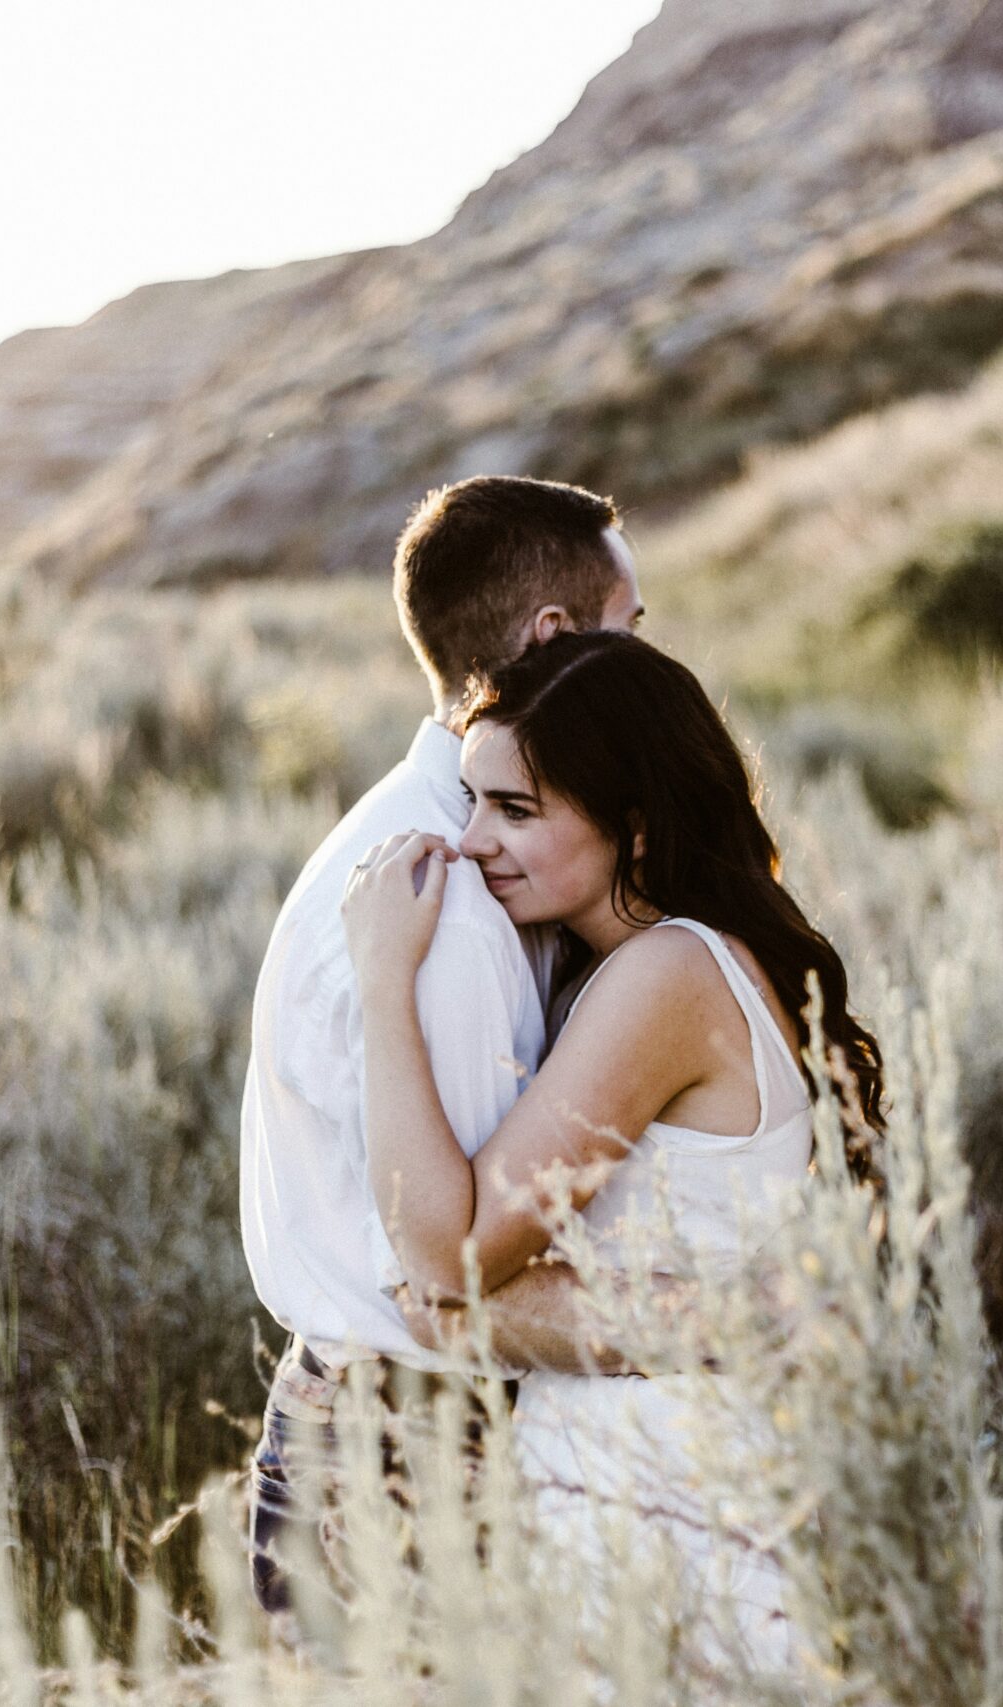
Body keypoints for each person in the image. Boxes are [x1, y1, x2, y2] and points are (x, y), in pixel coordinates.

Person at [340, 629, 886, 1665]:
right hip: (664, 1467)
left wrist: (381, 981)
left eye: (515, 809)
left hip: (660, 1488)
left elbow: (446, 1254)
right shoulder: (666, 964)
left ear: (631, 828)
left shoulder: (667, 976)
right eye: (469, 801)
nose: (469, 840)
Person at [237, 475, 644, 1617]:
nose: (655, 665)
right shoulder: (448, 910)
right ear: (553, 640)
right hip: (411, 1469)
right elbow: (464, 1270)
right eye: (633, 630)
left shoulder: (438, 851)